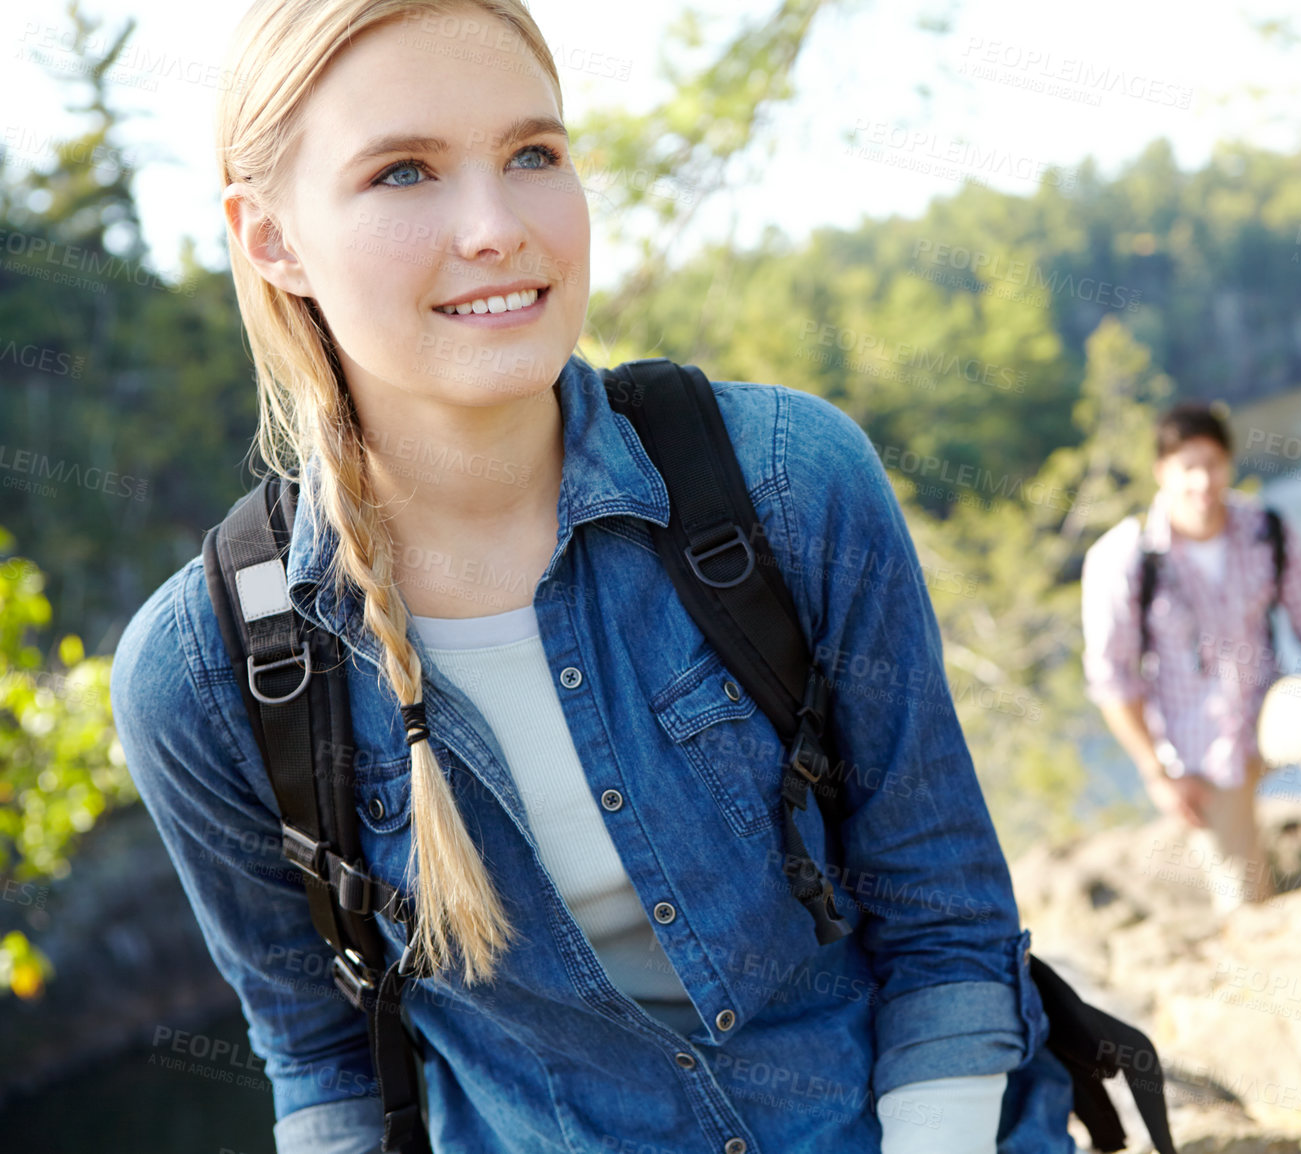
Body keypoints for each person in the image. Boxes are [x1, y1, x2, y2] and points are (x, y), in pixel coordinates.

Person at [107, 2, 1077, 1151]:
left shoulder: (788, 483)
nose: (495, 227)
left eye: (533, 155)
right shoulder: (208, 670)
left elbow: (943, 919)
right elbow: (322, 1059)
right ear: (270, 237)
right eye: (404, 172)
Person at [1080, 401, 1301, 915]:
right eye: (1187, 467)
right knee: (1242, 903)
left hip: (1268, 708)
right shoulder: (1126, 558)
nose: (1202, 481)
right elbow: (1112, 680)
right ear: (1162, 473)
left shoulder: (1266, 531)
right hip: (1195, 747)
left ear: (1229, 463)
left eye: (1211, 464)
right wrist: (1157, 774)